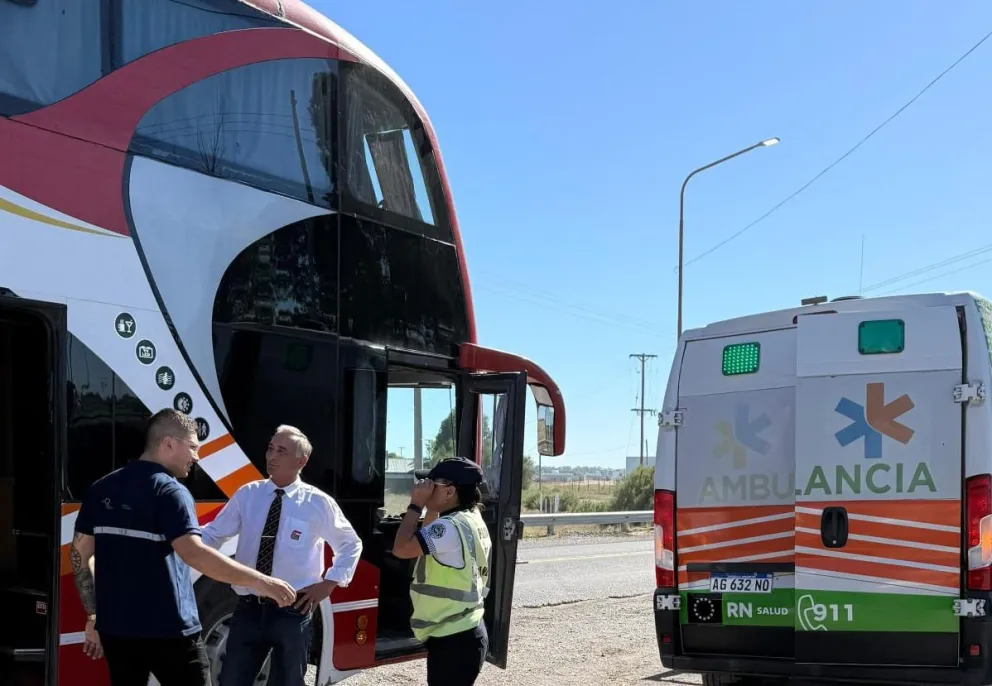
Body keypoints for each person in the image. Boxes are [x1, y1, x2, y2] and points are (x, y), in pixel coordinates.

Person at [70, 409, 297, 686]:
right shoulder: (170, 491)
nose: (196, 457)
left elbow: (80, 556)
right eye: (192, 447)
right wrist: (262, 582)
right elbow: (195, 554)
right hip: (169, 631)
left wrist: (94, 615)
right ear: (168, 443)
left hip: (117, 631)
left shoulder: (100, 489)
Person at [201, 424, 363, 686]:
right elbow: (215, 534)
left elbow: (350, 544)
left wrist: (330, 582)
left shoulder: (317, 503)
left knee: (288, 681)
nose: (271, 456)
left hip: (292, 612)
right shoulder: (248, 495)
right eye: (270, 448)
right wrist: (185, 544)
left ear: (302, 461)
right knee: (231, 679)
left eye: (282, 451)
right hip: (248, 609)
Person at [391, 456, 493, 686]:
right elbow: (428, 536)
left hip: (455, 640)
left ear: (449, 492)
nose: (425, 488)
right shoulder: (469, 517)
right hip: (463, 631)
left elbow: (402, 548)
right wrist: (430, 507)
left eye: (431, 484)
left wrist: (415, 505)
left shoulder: (448, 527)